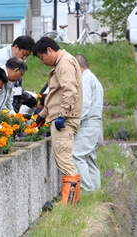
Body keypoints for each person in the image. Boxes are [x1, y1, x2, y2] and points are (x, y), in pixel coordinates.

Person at [33, 37, 83, 205]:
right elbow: (56, 95)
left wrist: (63, 114)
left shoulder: (65, 63)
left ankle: (67, 204)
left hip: (65, 120)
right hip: (60, 116)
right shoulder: (61, 63)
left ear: (49, 50)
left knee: (64, 160)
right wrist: (43, 115)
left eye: (41, 57)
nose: (42, 62)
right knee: (64, 159)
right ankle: (71, 202)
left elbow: (70, 89)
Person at [72, 54, 104, 193]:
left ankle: (86, 190)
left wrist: (74, 122)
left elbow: (84, 105)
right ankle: (96, 191)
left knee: (77, 155)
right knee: (90, 158)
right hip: (94, 124)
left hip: (87, 124)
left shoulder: (84, 80)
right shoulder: (93, 78)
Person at [0, 35, 36, 114]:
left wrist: (11, 112)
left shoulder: (14, 62)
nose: (24, 58)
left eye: (27, 56)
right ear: (16, 47)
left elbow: (9, 90)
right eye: (24, 54)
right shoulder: (1, 59)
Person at [0, 57, 28, 122]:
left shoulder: (10, 79)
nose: (20, 78)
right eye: (21, 75)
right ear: (16, 70)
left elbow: (8, 103)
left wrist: (16, 118)